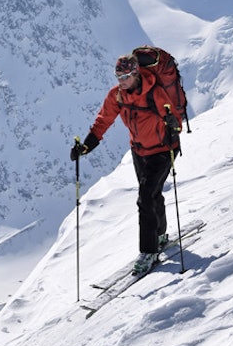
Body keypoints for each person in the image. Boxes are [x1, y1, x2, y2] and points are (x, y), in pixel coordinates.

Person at [70, 53, 183, 276]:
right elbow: (103, 120)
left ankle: (148, 251)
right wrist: (87, 146)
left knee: (145, 197)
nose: (121, 81)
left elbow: (175, 119)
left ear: (136, 74)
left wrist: (173, 125)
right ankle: (159, 235)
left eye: (125, 77)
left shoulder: (154, 93)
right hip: (140, 151)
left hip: (162, 150)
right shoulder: (117, 96)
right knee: (153, 194)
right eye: (118, 76)